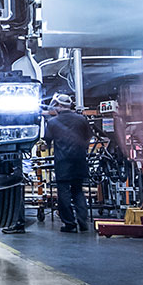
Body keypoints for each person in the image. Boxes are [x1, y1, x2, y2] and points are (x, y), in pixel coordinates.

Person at [43, 94, 92, 233]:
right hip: (80, 160)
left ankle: (69, 224)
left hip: (63, 161)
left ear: (58, 106)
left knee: (63, 192)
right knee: (78, 191)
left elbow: (47, 140)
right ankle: (83, 222)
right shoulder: (81, 119)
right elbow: (88, 137)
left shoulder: (52, 122)